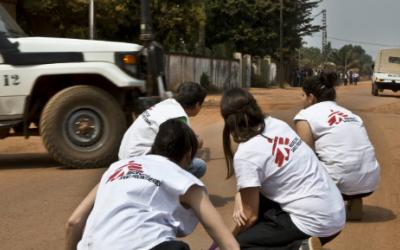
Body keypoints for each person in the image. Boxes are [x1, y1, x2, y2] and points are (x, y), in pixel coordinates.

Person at [67, 119, 240, 250]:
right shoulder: (185, 181)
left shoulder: (117, 168)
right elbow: (229, 244)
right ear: (188, 155)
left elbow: (74, 222)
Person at [220, 88, 345, 250]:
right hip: (336, 212)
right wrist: (240, 196)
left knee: (240, 244)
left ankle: (299, 248)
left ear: (228, 121)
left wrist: (227, 240)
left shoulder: (246, 154)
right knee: (259, 203)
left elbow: (250, 217)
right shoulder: (277, 124)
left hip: (318, 223)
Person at [294, 72, 380, 220]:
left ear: (311, 97)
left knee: (297, 162)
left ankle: (319, 207)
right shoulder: (352, 115)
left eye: (302, 95)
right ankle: (353, 198)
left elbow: (305, 156)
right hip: (369, 182)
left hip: (338, 184)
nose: (301, 99)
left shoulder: (305, 116)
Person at [119, 81, 208, 178]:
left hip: (124, 157)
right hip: (140, 163)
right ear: (197, 104)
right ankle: (168, 190)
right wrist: (196, 142)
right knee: (199, 166)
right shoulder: (179, 116)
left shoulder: (167, 104)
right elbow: (180, 150)